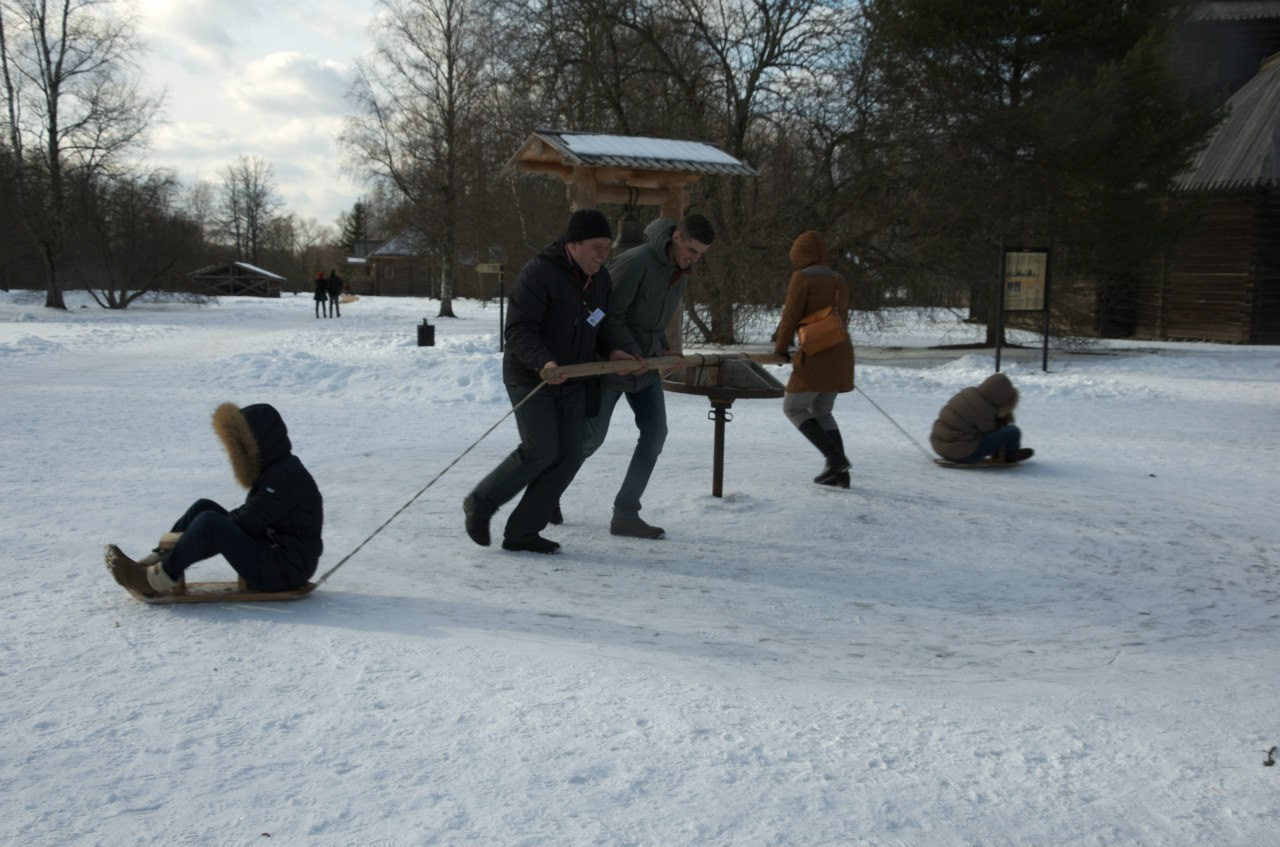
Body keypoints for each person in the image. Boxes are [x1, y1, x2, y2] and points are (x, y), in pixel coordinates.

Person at [463, 209, 630, 554]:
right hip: (531, 376)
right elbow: (519, 329)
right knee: (541, 449)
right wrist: (545, 361)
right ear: (574, 245)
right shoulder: (539, 274)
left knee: (568, 456)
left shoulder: (600, 280)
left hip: (574, 379)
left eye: (607, 247)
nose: (603, 254)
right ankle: (480, 502)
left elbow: (603, 324)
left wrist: (615, 351)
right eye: (596, 247)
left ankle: (523, 532)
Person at [559, 213, 716, 539]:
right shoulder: (635, 262)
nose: (694, 259)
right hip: (614, 362)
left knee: (655, 434)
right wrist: (629, 351)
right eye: (692, 250)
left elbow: (653, 323)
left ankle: (626, 513)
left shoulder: (679, 272)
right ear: (676, 237)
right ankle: (545, 496)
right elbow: (607, 313)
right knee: (590, 439)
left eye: (700, 254)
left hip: (646, 368)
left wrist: (666, 350)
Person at [108, 402, 325, 597]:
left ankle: (157, 579)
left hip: (284, 569)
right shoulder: (277, 470)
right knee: (204, 508)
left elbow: (249, 520)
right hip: (274, 553)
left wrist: (206, 534)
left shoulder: (285, 477)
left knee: (210, 522)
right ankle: (155, 563)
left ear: (257, 444)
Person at [771, 231, 855, 488]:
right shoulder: (839, 279)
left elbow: (790, 317)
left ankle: (835, 459)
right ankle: (839, 472)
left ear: (798, 254)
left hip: (816, 354)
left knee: (793, 407)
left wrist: (781, 347)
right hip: (841, 352)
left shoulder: (803, 278)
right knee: (822, 410)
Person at [930, 373, 1035, 463]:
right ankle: (1010, 455)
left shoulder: (968, 395)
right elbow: (992, 433)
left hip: (941, 446)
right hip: (962, 455)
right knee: (1012, 431)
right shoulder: (985, 410)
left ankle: (1006, 454)